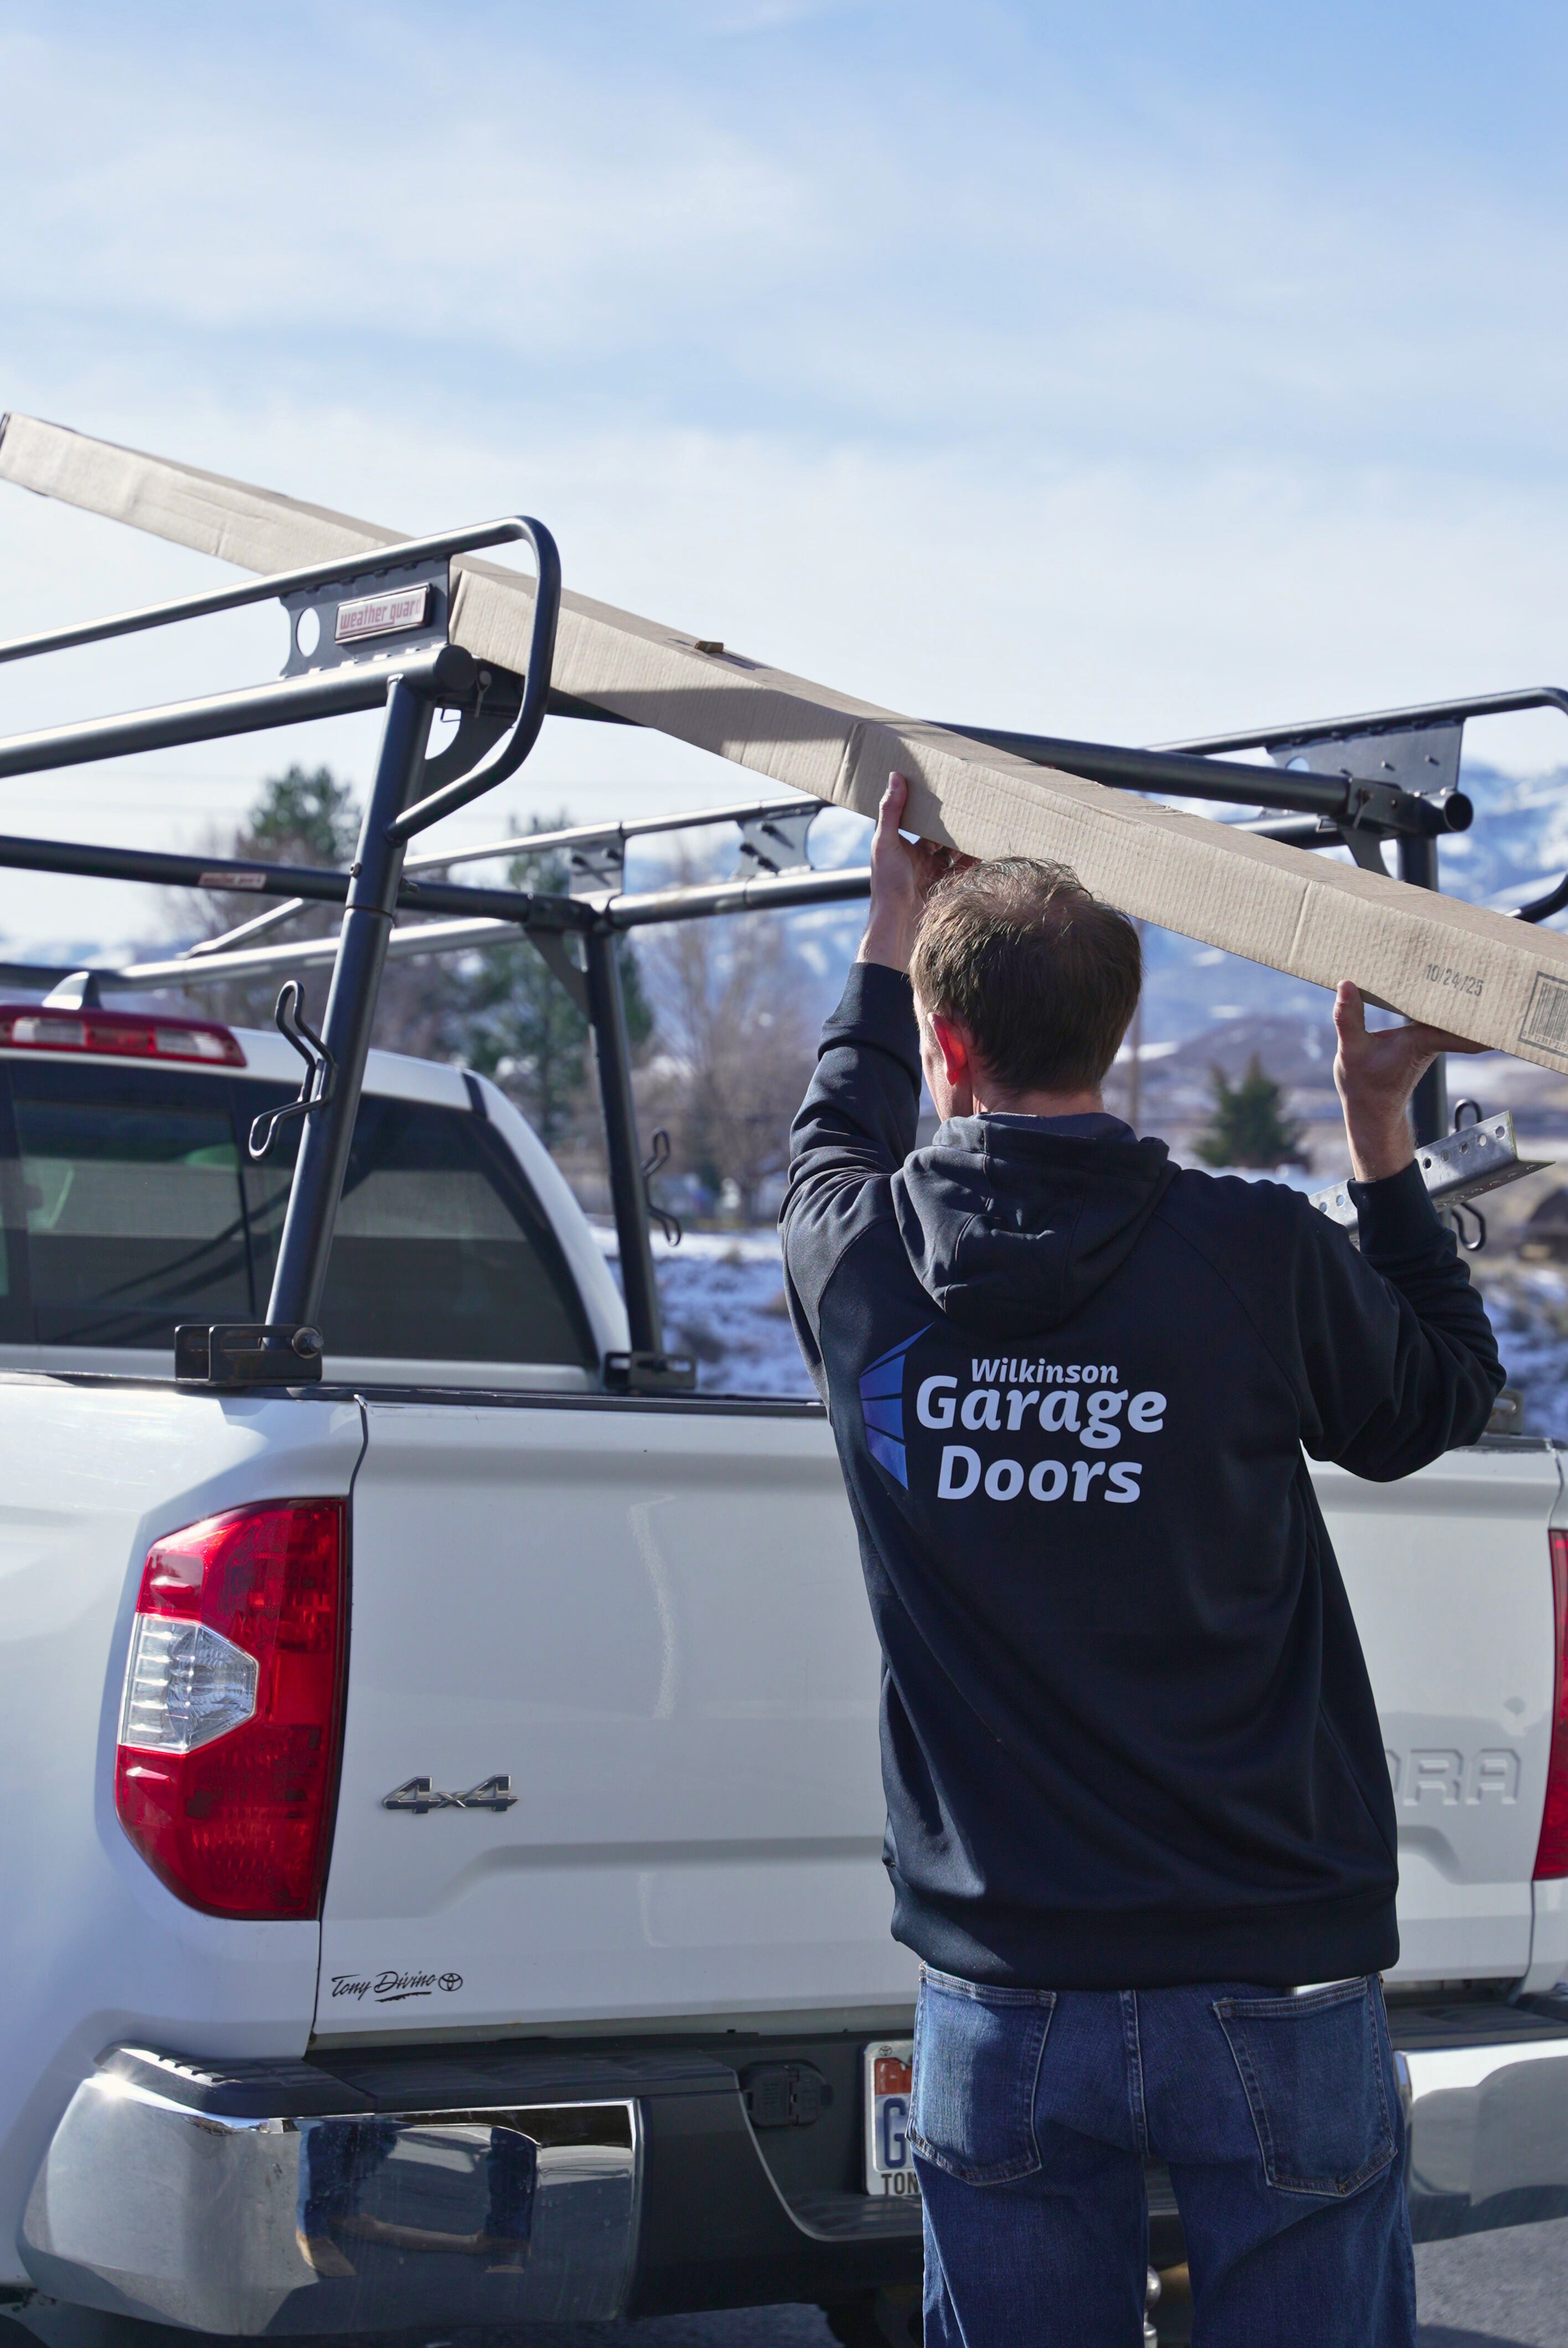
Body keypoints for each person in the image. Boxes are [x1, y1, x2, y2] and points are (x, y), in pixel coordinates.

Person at [780, 774, 1502, 2348]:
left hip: (1003, 1979)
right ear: (1119, 1034)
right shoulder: (1250, 1254)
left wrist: (890, 931)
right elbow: (1442, 1396)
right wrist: (1380, 1138)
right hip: (1273, 1967)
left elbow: (834, 1125)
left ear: (946, 1047)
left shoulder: (860, 1260)